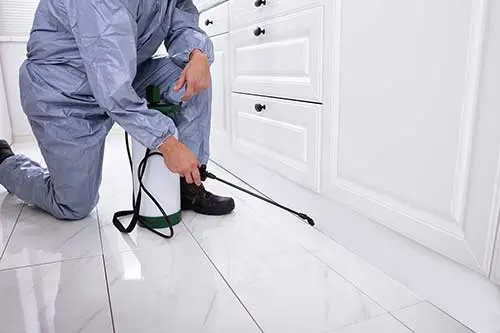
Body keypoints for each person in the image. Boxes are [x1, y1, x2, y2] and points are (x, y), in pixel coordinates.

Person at [0, 0, 235, 220]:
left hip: (122, 75)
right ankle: (5, 164)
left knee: (191, 75)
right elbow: (111, 87)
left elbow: (181, 17)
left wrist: (197, 52)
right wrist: (167, 143)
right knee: (73, 205)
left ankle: (188, 183)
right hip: (63, 93)